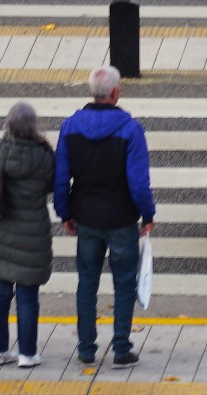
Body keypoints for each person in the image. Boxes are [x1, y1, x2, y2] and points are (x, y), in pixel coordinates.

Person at [54, 65, 156, 368]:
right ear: (115, 93)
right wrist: (147, 214)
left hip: (86, 218)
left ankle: (87, 349)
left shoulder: (70, 127)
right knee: (124, 283)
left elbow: (61, 178)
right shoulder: (130, 129)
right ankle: (121, 348)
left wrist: (65, 213)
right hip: (122, 219)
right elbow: (138, 182)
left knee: (87, 283)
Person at [0, 100, 55, 368]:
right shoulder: (45, 155)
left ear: (8, 124)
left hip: (0, 230)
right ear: (34, 126)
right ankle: (27, 354)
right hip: (33, 232)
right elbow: (53, 185)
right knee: (28, 295)